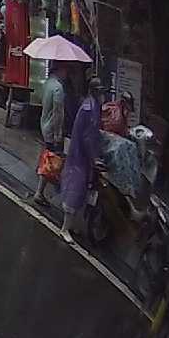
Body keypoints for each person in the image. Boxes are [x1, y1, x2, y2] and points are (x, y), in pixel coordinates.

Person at [61, 76, 103, 237]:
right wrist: (95, 158)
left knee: (80, 190)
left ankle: (71, 225)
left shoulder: (92, 105)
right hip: (80, 155)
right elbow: (88, 137)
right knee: (75, 189)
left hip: (81, 155)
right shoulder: (89, 108)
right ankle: (65, 228)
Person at [30, 61, 68, 207]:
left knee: (47, 157)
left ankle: (42, 188)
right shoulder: (58, 88)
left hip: (44, 124)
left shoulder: (47, 83)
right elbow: (58, 113)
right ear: (60, 70)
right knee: (52, 160)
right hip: (52, 128)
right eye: (65, 71)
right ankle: (40, 192)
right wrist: (58, 134)